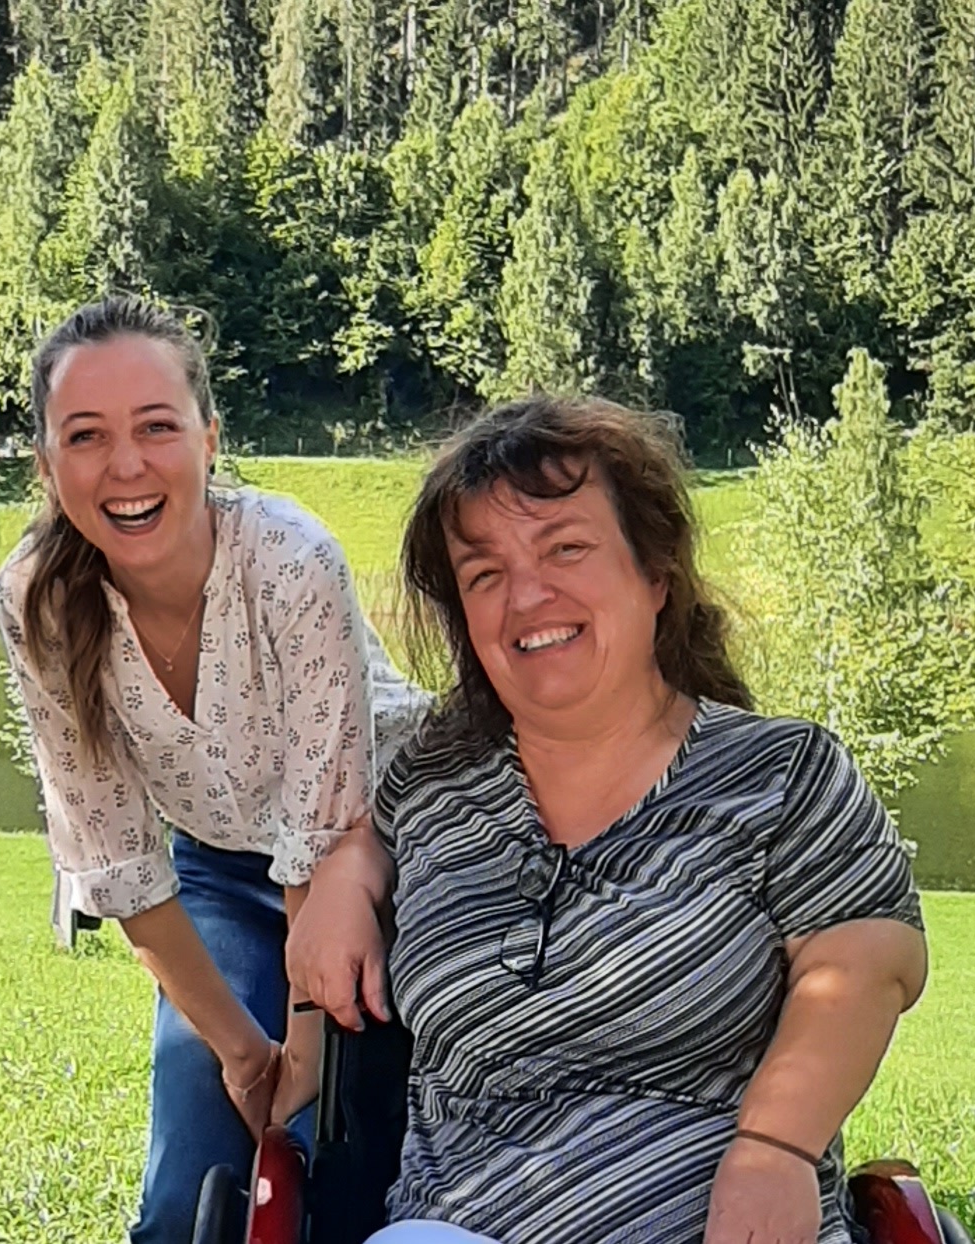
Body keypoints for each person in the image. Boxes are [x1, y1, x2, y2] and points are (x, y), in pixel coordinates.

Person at [289, 397, 928, 1244]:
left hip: (718, 1216)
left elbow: (870, 960)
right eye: (484, 574)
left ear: (654, 574)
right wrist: (342, 873)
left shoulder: (782, 773)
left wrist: (775, 1145)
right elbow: (375, 831)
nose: (526, 597)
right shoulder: (436, 782)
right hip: (461, 1225)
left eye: (567, 549)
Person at [0, 296, 427, 1244]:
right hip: (226, 866)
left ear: (209, 438)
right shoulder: (40, 600)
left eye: (157, 427)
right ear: (46, 463)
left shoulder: (288, 557)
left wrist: (304, 1041)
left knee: (349, 1172)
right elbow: (114, 858)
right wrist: (240, 1053)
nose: (127, 466)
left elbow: (327, 818)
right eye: (87, 436)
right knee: (185, 1200)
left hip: (384, 857)